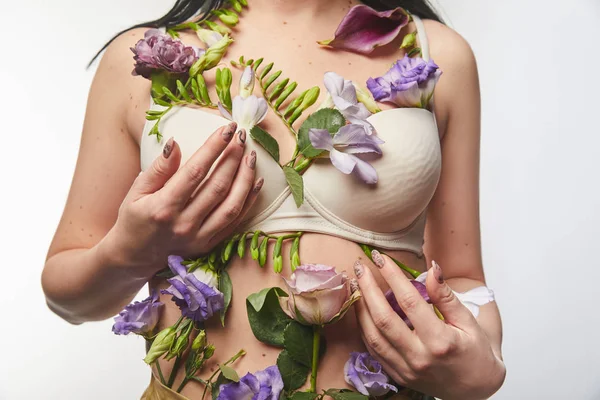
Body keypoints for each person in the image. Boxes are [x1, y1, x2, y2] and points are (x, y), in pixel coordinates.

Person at [42, 0, 506, 398]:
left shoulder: (434, 54)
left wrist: (481, 366)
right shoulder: (145, 61)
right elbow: (67, 294)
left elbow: (462, 277)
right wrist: (130, 252)